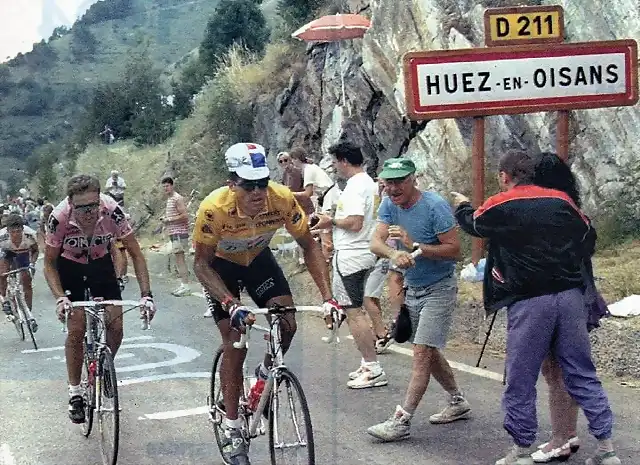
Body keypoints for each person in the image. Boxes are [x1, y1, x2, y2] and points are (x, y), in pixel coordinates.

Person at [452, 150, 621, 465]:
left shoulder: (501, 203)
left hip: (530, 299)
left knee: (521, 375)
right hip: (570, 296)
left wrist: (462, 205)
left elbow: (474, 224)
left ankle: (521, 447)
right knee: (581, 372)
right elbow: (587, 236)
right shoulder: (562, 201)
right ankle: (606, 447)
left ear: (505, 176)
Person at [193, 142, 341, 465]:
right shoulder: (212, 208)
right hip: (222, 268)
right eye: (249, 185)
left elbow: (309, 246)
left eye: (262, 182)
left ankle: (263, 375)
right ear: (232, 183)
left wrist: (328, 298)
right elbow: (200, 265)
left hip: (259, 259)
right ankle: (233, 428)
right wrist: (230, 304)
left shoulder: (282, 198)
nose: (258, 191)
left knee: (287, 323)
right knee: (235, 343)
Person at [367, 158, 471, 442]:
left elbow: (454, 250)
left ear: (414, 179)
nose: (393, 188)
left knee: (422, 351)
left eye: (399, 181)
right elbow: (375, 242)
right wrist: (393, 255)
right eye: (389, 182)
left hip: (440, 286)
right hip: (412, 287)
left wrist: (414, 246)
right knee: (429, 349)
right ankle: (457, 400)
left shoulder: (435, 206)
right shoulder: (389, 204)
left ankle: (402, 420)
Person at [43, 174, 157, 424]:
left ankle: (105, 366)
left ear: (99, 201)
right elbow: (49, 263)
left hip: (100, 264)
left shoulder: (112, 211)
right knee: (76, 328)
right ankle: (75, 393)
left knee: (116, 326)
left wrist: (146, 295)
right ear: (71, 204)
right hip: (69, 266)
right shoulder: (58, 218)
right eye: (82, 207)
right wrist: (60, 298)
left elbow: (137, 255)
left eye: (93, 206)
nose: (89, 212)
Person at [529, 152, 609, 463]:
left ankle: (562, 437)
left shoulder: (546, 212)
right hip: (580, 295)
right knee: (565, 368)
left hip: (555, 297)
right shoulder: (575, 211)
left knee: (557, 371)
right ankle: (569, 433)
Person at [310, 141, 388, 389]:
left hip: (352, 255)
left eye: (334, 161)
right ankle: (368, 364)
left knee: (353, 312)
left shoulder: (356, 186)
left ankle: (373, 367)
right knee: (356, 308)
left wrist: (329, 221)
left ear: (344, 160)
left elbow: (354, 222)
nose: (333, 166)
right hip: (364, 252)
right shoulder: (369, 184)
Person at [289, 147, 335, 261]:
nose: (292, 163)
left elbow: (307, 193)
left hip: (328, 196)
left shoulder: (307, 170)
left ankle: (327, 258)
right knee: (325, 226)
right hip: (329, 195)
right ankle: (327, 255)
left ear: (296, 159)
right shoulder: (311, 167)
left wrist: (289, 194)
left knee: (325, 228)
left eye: (292, 160)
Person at [0, 214, 39, 331]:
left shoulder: (30, 235)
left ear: (23, 229)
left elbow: (36, 251)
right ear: (7, 231)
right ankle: (4, 300)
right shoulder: (2, 237)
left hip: (23, 252)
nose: (16, 234)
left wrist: (32, 263)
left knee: (26, 279)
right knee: (3, 273)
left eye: (18, 231)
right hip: (6, 252)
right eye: (12, 232)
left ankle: (28, 313)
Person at [161, 176, 191, 296]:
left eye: (167, 186)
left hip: (179, 232)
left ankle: (186, 286)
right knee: (178, 260)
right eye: (164, 187)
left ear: (172, 186)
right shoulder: (170, 199)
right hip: (174, 233)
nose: (165, 189)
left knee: (180, 259)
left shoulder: (177, 198)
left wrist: (169, 220)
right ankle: (183, 284)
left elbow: (184, 215)